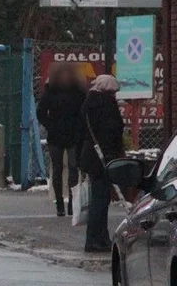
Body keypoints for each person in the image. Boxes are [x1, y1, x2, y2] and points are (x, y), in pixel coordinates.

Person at [80, 74, 124, 253]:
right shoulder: (106, 106)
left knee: (98, 199)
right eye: (113, 91)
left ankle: (97, 237)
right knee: (100, 200)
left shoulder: (88, 104)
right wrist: (114, 157)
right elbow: (111, 133)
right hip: (103, 159)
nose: (115, 95)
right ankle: (96, 239)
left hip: (91, 157)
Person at [36, 62, 86, 217]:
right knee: (57, 169)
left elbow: (84, 111)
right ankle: (59, 203)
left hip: (72, 135)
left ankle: (71, 202)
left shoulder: (78, 92)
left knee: (72, 168)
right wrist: (50, 125)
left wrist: (79, 127)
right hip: (56, 135)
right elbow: (41, 112)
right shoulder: (51, 92)